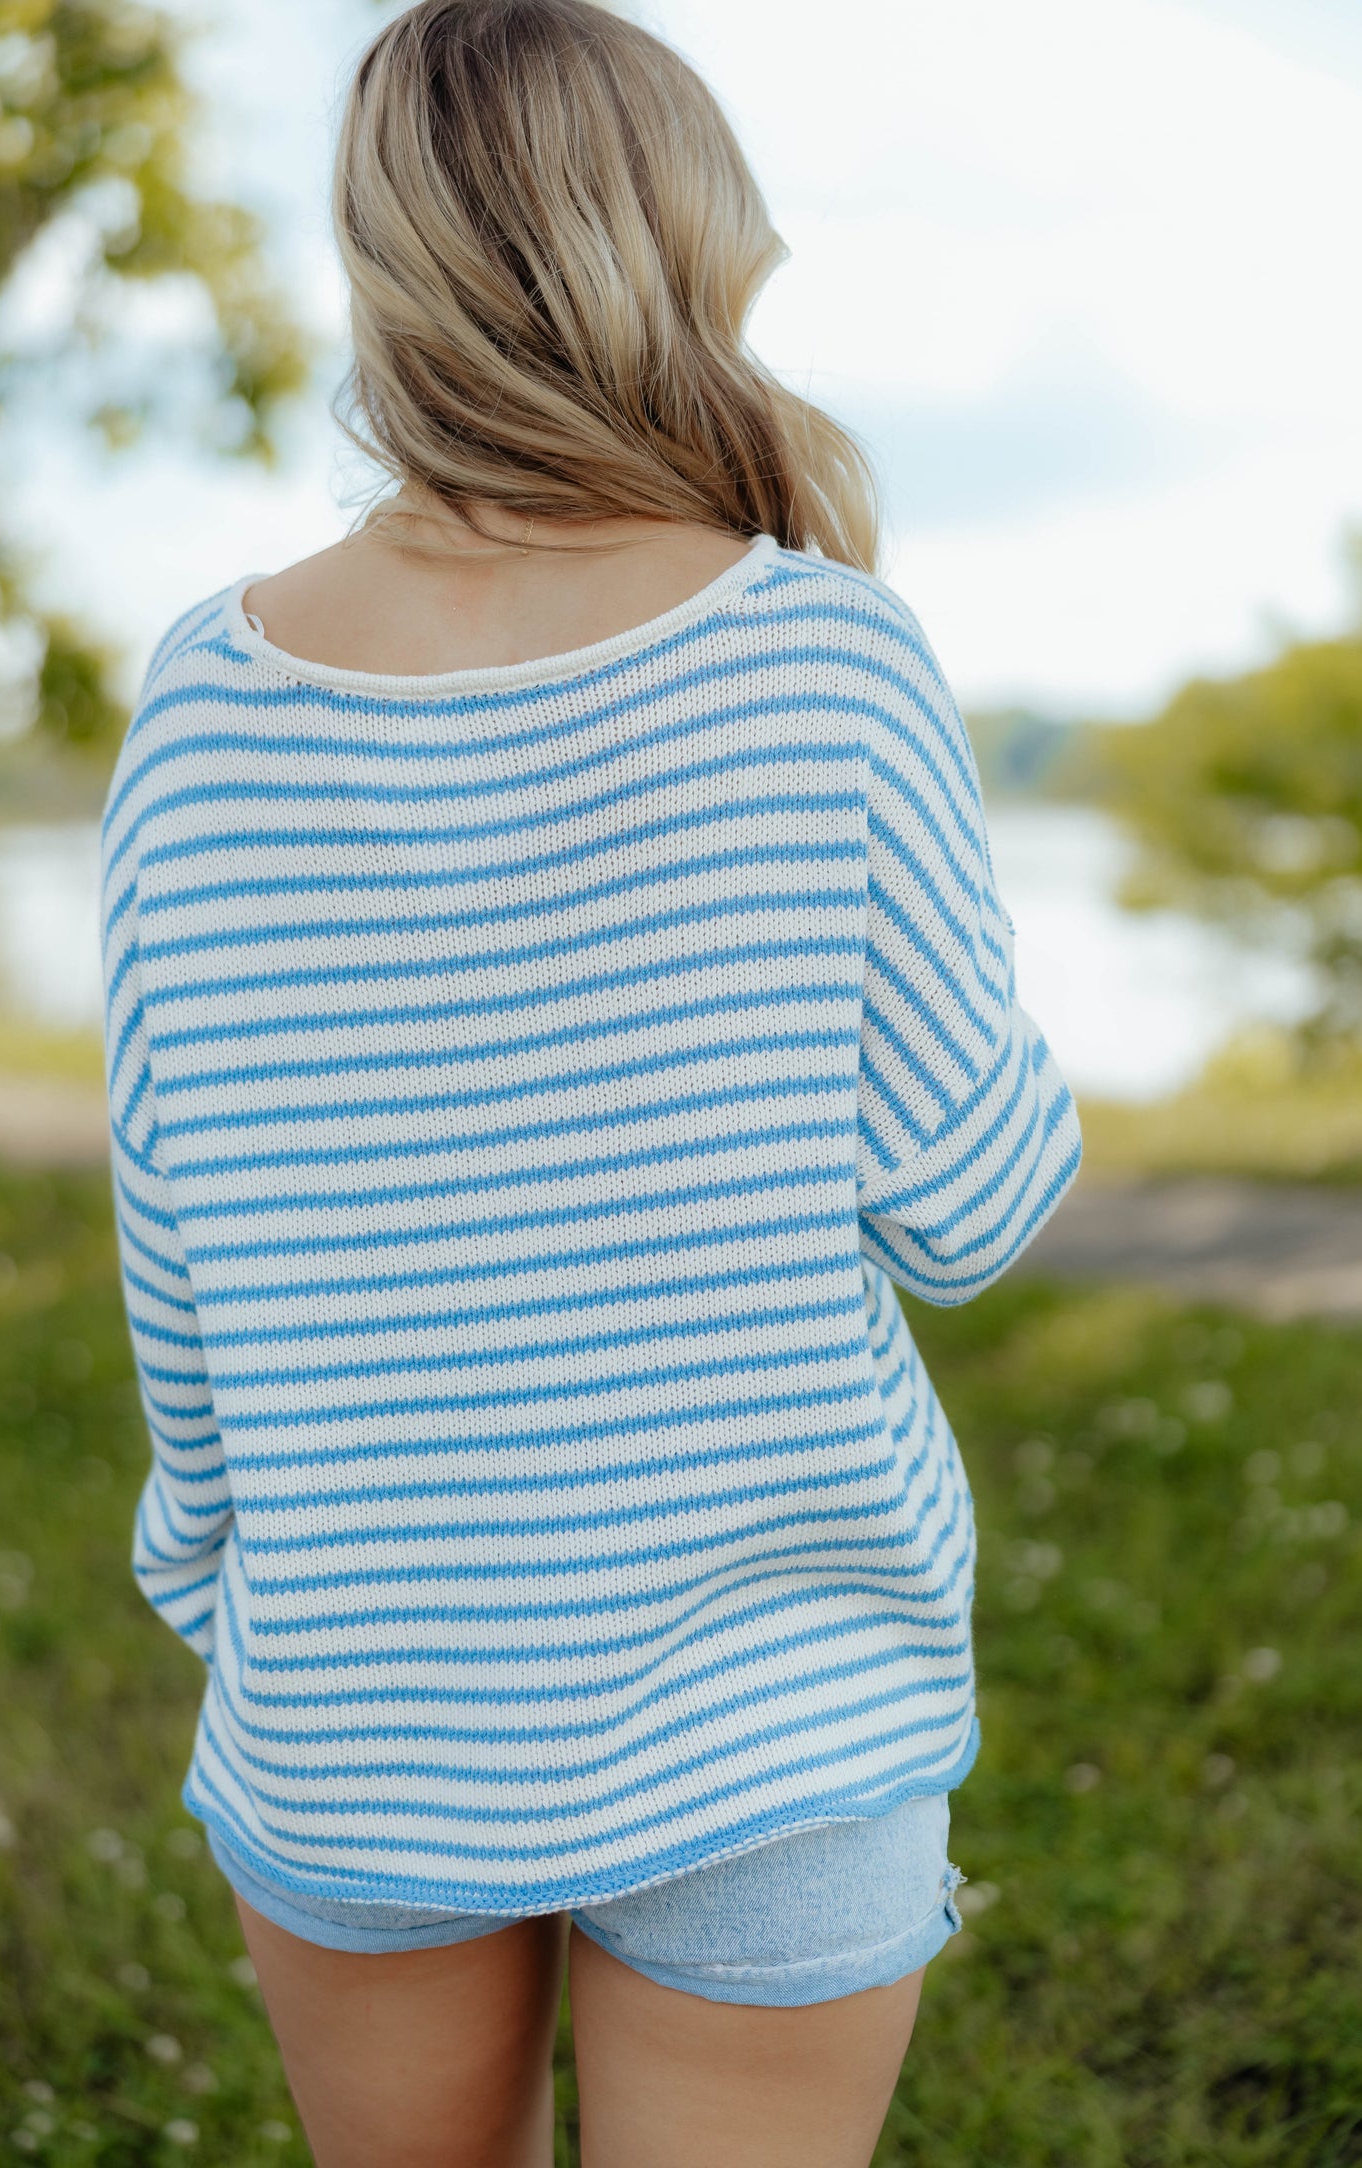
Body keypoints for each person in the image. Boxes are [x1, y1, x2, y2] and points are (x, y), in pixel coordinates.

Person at [98, 2, 1082, 2161]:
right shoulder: (827, 656)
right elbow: (973, 1203)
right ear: (679, 245)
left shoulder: (202, 702)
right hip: (773, 1697)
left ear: (388, 266)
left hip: (358, 1697)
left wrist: (237, 1587)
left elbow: (171, 1240)